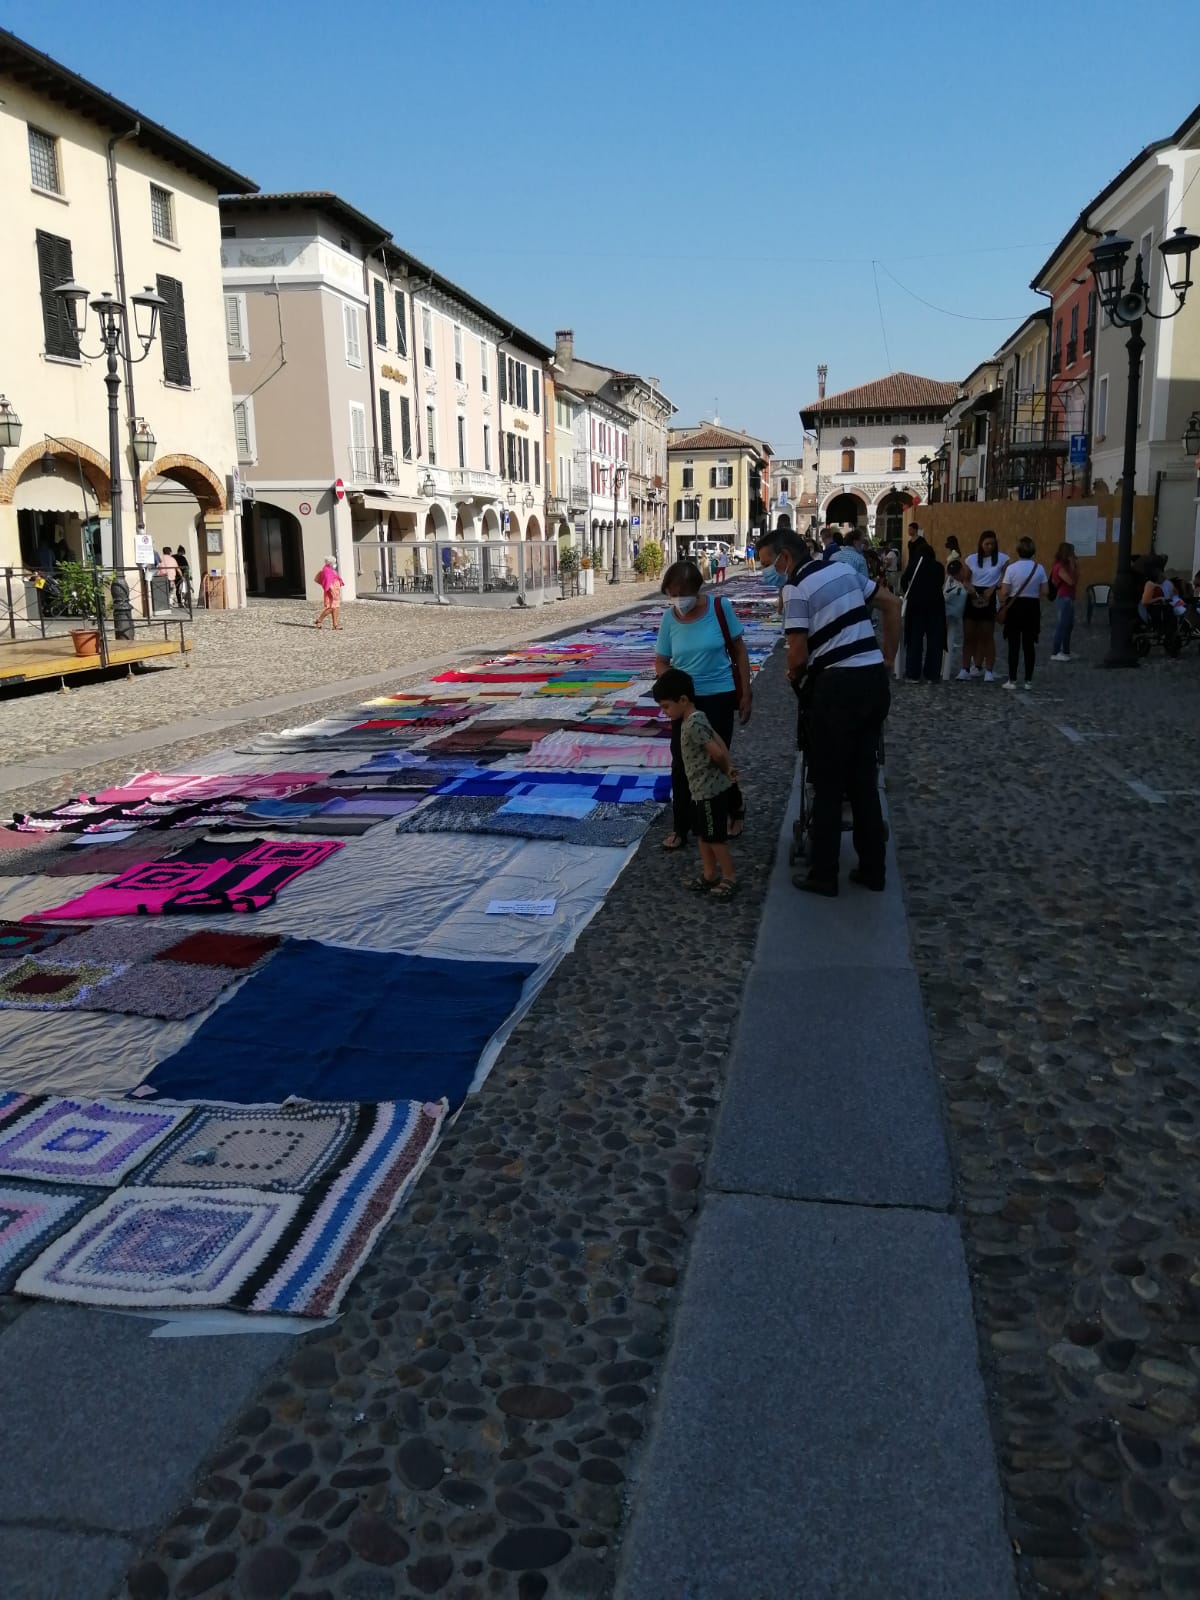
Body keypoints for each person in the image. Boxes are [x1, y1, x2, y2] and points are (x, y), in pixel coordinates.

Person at [774, 541, 901, 896]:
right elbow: (892, 604)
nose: (769, 572)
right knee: (863, 781)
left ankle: (824, 874)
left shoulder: (796, 588)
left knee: (829, 785)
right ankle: (873, 870)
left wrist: (793, 675)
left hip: (835, 690)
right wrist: (888, 658)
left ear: (786, 558)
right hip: (872, 682)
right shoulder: (846, 571)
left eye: (770, 563)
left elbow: (797, 654)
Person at [654, 560, 752, 852]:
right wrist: (672, 683)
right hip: (685, 703)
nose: (677, 600)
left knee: (717, 757)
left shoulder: (719, 609)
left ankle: (732, 811)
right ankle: (681, 826)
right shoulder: (669, 619)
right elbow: (661, 660)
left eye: (680, 593)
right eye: (671, 594)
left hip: (720, 695)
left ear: (696, 589)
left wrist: (746, 693)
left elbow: (740, 650)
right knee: (681, 763)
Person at [651, 668, 739, 899]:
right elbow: (716, 737)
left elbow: (716, 751)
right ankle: (709, 874)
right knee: (702, 833)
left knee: (714, 836)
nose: (664, 712)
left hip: (709, 790)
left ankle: (729, 876)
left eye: (666, 706)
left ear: (683, 700)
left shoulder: (692, 723)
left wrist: (726, 768)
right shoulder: (695, 717)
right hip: (698, 790)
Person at [999, 536, 1048, 690]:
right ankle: (1028, 680)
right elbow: (1045, 591)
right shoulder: (1039, 568)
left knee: (1014, 644)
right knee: (1029, 644)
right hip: (1032, 606)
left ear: (1018, 551)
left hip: (1015, 606)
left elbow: (1005, 591)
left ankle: (1012, 679)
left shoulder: (1011, 569)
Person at [962, 530, 1009, 680]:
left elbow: (1004, 577)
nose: (989, 547)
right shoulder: (972, 559)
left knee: (987, 635)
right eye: (986, 544)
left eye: (992, 544)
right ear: (981, 544)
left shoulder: (1002, 559)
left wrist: (995, 587)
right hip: (973, 595)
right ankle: (965, 669)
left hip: (989, 595)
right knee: (969, 635)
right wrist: (970, 589)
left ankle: (989, 670)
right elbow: (966, 579)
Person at [900, 535, 946, 683]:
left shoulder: (913, 564)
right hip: (935, 606)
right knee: (935, 641)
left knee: (915, 639)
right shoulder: (938, 566)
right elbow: (940, 583)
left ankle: (913, 673)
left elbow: (903, 581)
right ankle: (932, 674)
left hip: (916, 606)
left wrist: (910, 592)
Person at [1049, 541, 1078, 661]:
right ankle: (1055, 652)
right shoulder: (1059, 567)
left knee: (1069, 625)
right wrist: (1072, 565)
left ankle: (1066, 650)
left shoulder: (1066, 565)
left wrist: (1075, 566)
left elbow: (1076, 578)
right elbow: (1071, 581)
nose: (1074, 554)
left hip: (1069, 597)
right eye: (1072, 552)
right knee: (1061, 625)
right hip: (1063, 597)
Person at [943, 557, 968, 679]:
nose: (957, 576)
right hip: (952, 615)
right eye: (954, 574)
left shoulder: (969, 580)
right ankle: (945, 669)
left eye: (958, 573)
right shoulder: (950, 580)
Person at [314, 559, 344, 629]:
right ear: (330, 563)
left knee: (336, 607)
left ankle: (335, 625)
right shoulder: (327, 571)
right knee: (332, 607)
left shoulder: (329, 570)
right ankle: (319, 620)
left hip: (336, 591)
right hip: (332, 591)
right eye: (334, 563)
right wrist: (332, 590)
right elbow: (328, 582)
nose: (335, 564)